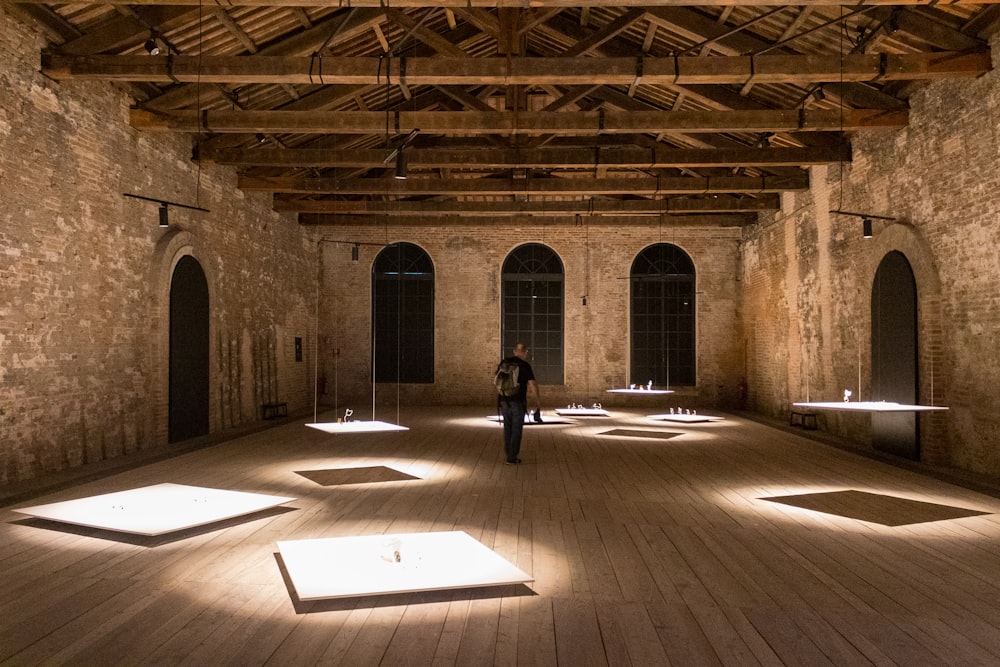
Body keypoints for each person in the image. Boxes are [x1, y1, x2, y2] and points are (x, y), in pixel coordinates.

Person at [497, 342, 542, 465]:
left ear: (514, 351)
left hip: (504, 401)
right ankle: (512, 457)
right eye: (526, 352)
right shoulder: (524, 365)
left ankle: (508, 453)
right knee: (517, 429)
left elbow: (496, 381)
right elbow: (532, 384)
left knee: (508, 428)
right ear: (524, 352)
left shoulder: (504, 363)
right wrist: (537, 402)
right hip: (518, 402)